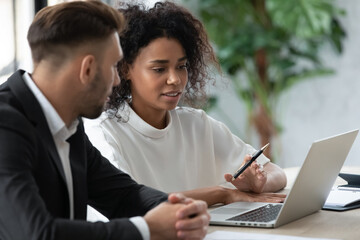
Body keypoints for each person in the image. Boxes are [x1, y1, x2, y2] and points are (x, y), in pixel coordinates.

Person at [0, 1, 209, 240]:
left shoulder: (68, 123)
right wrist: (147, 229)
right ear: (87, 69)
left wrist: (178, 208)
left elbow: (122, 195)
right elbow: (36, 234)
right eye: (112, 66)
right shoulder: (5, 125)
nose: (118, 80)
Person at [84, 1, 287, 208]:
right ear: (125, 69)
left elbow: (277, 174)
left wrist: (259, 183)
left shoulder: (196, 123)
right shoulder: (104, 132)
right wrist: (222, 194)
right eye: (159, 69)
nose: (175, 79)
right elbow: (133, 202)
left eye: (181, 66)